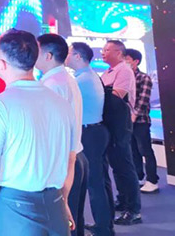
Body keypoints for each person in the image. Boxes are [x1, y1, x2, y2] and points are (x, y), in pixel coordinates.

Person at [0, 29, 77, 236]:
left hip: (15, 206)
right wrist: (63, 201)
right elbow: (70, 159)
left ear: (1, 64)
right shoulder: (61, 104)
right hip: (55, 202)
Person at [36, 34, 86, 236]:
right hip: (72, 156)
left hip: (63, 162)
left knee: (62, 222)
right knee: (72, 220)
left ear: (48, 56)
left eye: (36, 50)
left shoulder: (52, 84)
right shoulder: (64, 79)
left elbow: (51, 130)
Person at [66, 42, 114, 236]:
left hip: (90, 134)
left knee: (94, 184)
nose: (66, 56)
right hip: (96, 132)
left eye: (69, 52)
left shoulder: (80, 81)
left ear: (78, 56)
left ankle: (103, 228)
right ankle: (105, 224)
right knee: (99, 181)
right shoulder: (89, 76)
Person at [101, 40, 142, 225]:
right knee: (117, 165)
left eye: (107, 49)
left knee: (125, 166)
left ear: (118, 52)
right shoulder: (108, 72)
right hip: (110, 123)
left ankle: (133, 210)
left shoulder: (124, 70)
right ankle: (123, 200)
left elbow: (117, 96)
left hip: (120, 123)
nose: (103, 52)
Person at [125, 49, 159, 194]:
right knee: (133, 151)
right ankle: (139, 177)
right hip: (127, 121)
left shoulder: (143, 78)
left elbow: (143, 100)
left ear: (136, 61)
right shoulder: (125, 77)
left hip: (141, 121)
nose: (124, 62)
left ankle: (152, 180)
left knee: (145, 150)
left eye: (127, 59)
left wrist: (134, 115)